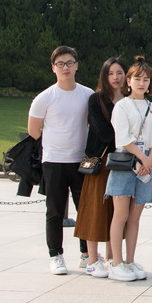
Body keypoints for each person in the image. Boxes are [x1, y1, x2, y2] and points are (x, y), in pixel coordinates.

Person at [28, 46, 93, 275]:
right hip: (54, 161)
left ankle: (87, 254)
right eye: (60, 64)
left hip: (81, 160)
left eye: (69, 63)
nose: (65, 67)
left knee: (84, 208)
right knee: (54, 211)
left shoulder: (87, 95)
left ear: (77, 65)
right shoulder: (45, 97)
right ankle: (55, 255)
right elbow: (33, 130)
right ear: (53, 68)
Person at [105, 56, 152, 281]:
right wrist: (143, 158)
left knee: (135, 217)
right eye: (137, 78)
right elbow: (123, 138)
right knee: (120, 214)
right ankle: (116, 263)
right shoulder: (122, 106)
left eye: (146, 79)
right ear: (128, 81)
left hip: (146, 164)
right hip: (126, 162)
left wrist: (150, 160)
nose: (142, 83)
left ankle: (130, 260)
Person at [74, 57, 127, 278]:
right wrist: (128, 139)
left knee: (114, 212)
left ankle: (111, 258)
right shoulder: (96, 99)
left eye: (119, 73)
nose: (115, 77)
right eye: (110, 73)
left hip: (123, 163)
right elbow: (103, 132)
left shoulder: (130, 100)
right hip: (100, 162)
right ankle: (92, 260)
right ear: (104, 76)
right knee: (95, 209)